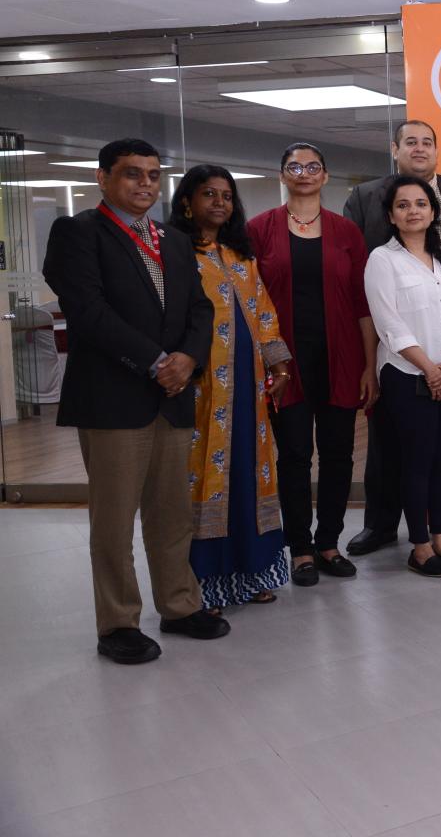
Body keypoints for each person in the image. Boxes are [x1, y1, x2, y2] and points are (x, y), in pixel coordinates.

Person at [43, 138, 227, 663]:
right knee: (115, 520)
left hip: (171, 397)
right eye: (131, 174)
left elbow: (200, 308)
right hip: (113, 397)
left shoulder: (172, 239)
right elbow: (88, 311)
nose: (144, 184)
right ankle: (118, 623)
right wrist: (156, 361)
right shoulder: (78, 233)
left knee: (172, 514)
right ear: (103, 179)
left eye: (152, 175)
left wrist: (187, 361)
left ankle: (179, 605)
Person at [345, 120, 441, 554]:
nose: (420, 148)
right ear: (395, 149)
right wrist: (426, 367)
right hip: (403, 358)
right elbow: (368, 292)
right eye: (411, 142)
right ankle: (384, 525)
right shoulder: (366, 198)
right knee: (393, 445)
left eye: (428, 142)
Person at [249, 143, 378, 587]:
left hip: (341, 359)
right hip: (285, 366)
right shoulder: (260, 230)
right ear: (282, 175)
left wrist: (369, 365)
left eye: (313, 166)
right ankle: (300, 548)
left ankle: (329, 543)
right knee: (295, 457)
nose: (304, 173)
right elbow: (249, 302)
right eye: (294, 166)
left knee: (340, 456)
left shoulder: (346, 232)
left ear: (325, 176)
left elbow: (363, 303)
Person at [170, 167, 293, 611]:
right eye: (209, 195)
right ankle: (203, 584)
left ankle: (252, 573)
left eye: (226, 195)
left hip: (248, 392)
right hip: (202, 392)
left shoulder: (240, 256)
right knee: (205, 478)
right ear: (187, 202)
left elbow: (263, 313)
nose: (220, 203)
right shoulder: (177, 252)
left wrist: (279, 365)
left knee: (249, 474)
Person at [364, 175, 441, 577]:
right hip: (407, 376)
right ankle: (420, 547)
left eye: (421, 204)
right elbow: (389, 324)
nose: (413, 211)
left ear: (433, 212)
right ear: (392, 216)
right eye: (403, 205)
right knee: (417, 462)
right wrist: (431, 370)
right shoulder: (382, 259)